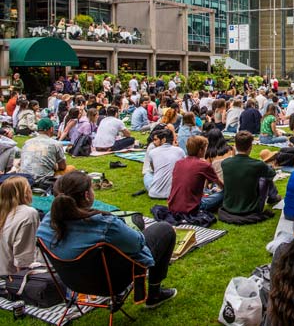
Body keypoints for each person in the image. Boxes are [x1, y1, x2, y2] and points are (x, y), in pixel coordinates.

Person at [37, 172, 177, 308]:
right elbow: (138, 244)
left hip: (72, 282)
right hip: (111, 282)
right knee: (164, 229)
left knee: (136, 227)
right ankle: (155, 294)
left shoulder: (46, 224)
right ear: (87, 195)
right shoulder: (104, 225)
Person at [221, 131, 280, 216]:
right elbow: (272, 174)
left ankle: (273, 196)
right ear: (250, 147)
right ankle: (273, 197)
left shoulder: (225, 163)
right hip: (252, 208)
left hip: (228, 206)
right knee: (266, 175)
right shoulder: (257, 164)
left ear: (235, 146)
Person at [168, 136, 224, 214]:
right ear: (200, 150)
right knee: (223, 192)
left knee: (209, 190)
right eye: (205, 148)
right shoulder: (204, 165)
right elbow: (220, 184)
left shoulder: (178, 163)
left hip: (173, 205)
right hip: (193, 207)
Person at [0, 176, 40, 275]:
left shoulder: (4, 211)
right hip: (10, 277)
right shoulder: (28, 213)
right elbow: (23, 259)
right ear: (25, 193)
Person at [144, 128, 186, 199]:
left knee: (147, 174)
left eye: (155, 140)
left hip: (155, 193)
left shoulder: (153, 152)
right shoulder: (180, 151)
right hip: (174, 192)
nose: (154, 142)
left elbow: (154, 170)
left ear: (163, 140)